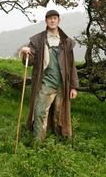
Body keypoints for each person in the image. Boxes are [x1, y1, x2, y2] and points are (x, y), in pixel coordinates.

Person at [21, 9, 79, 141]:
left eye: (55, 18)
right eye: (49, 18)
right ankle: (37, 142)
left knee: (60, 114)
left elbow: (71, 65)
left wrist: (74, 86)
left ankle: (61, 142)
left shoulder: (66, 42)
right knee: (40, 111)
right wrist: (26, 53)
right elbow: (29, 62)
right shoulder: (38, 40)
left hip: (63, 83)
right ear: (46, 21)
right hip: (46, 82)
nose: (52, 20)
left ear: (59, 20)